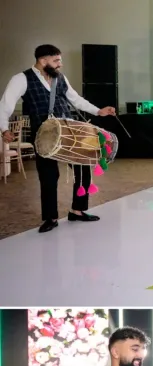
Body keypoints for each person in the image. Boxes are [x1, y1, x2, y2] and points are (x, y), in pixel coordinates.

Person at [0, 44, 116, 233]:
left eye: (59, 61)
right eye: (56, 61)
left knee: (83, 167)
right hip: (43, 134)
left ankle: (77, 210)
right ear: (42, 60)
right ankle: (50, 217)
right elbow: (5, 104)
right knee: (48, 175)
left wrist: (98, 111)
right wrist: (4, 128)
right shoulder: (21, 79)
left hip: (68, 129)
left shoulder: (60, 78)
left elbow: (76, 99)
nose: (59, 65)